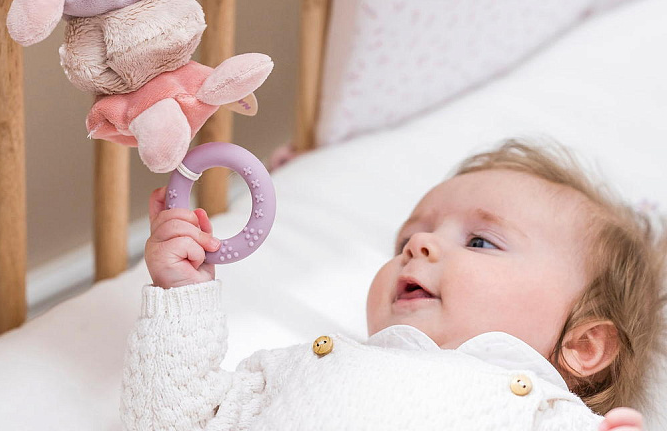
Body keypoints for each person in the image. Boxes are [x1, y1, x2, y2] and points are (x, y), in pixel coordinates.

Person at [120, 140, 666, 430]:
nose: (418, 245)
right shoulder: (296, 371)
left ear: (584, 346)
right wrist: (183, 294)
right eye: (407, 237)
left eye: (480, 242)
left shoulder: (547, 417)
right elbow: (172, 420)